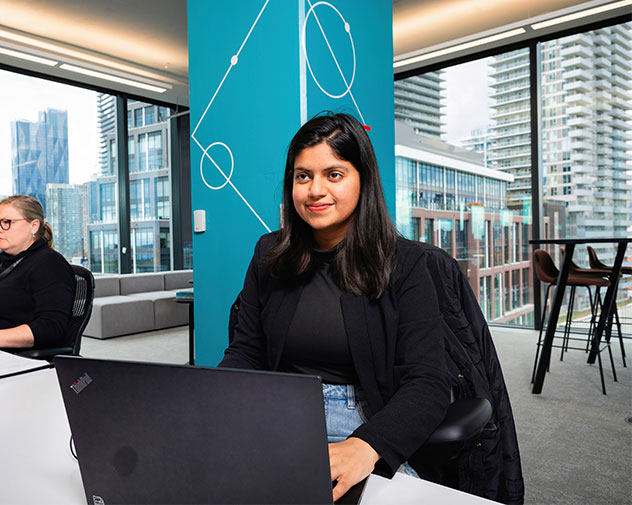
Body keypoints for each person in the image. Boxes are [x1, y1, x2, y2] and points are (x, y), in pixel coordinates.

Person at [219, 112, 456, 501]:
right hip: (279, 415)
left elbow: (428, 382)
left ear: (362, 180)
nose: (315, 190)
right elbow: (247, 351)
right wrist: (209, 398)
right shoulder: (268, 253)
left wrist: (366, 445)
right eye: (302, 176)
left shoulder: (407, 264)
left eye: (334, 174)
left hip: (365, 422)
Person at [0, 194, 75, 351]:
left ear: (34, 226)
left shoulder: (49, 264)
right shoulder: (6, 261)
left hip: (18, 356)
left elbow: (51, 327)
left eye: (6, 222)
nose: (1, 229)